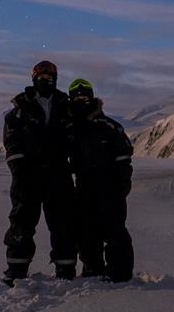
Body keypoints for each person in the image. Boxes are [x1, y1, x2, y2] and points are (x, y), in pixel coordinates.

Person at [1, 60, 77, 284]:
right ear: (34, 79)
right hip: (28, 176)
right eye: (42, 78)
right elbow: (11, 140)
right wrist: (18, 168)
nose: (46, 81)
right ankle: (16, 271)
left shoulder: (66, 105)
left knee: (63, 224)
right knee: (21, 223)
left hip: (58, 174)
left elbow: (79, 131)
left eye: (50, 78)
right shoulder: (20, 108)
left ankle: (66, 272)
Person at [65, 78, 134, 282]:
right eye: (76, 97)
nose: (80, 100)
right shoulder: (70, 128)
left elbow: (124, 155)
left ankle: (120, 274)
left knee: (114, 230)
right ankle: (92, 270)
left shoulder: (110, 127)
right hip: (83, 186)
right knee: (86, 231)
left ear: (92, 97)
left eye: (84, 96)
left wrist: (122, 182)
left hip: (109, 186)